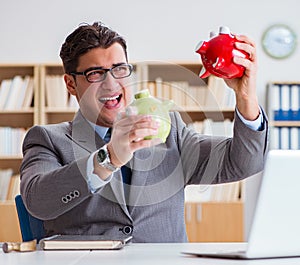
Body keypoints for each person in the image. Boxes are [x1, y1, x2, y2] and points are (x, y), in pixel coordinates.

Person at [20, 21, 268, 243]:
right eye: (95, 73)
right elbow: (38, 202)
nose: (111, 83)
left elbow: (245, 162)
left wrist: (245, 97)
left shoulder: (169, 130)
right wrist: (110, 157)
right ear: (71, 84)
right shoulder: (48, 139)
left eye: (119, 69)